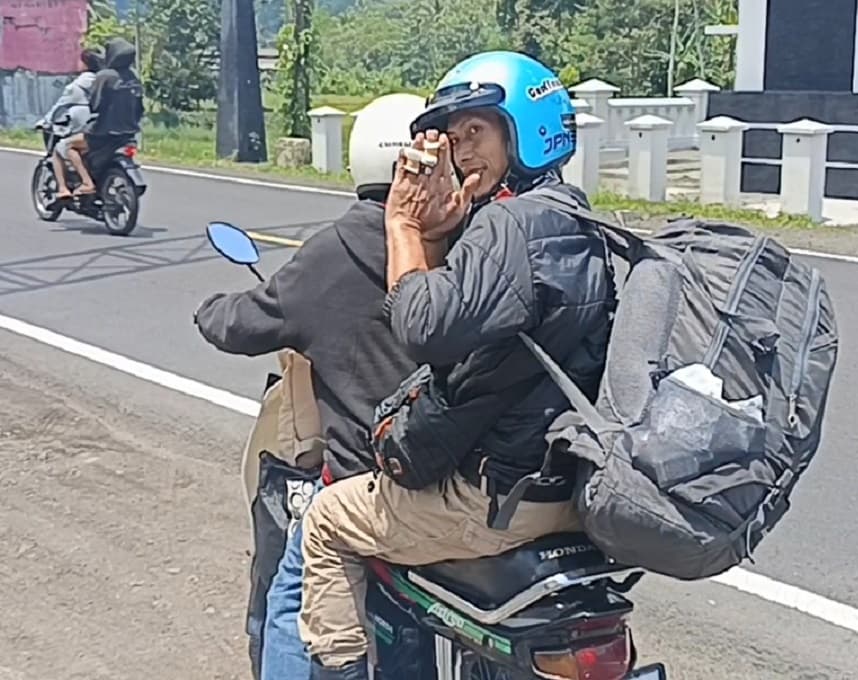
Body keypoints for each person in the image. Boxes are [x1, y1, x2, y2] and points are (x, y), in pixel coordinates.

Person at [298, 51, 614, 680]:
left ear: (524, 131)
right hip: (566, 491)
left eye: (479, 132)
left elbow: (419, 328)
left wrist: (404, 224)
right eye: (456, 136)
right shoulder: (580, 219)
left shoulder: (508, 225)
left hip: (497, 501)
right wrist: (446, 230)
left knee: (326, 523)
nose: (464, 151)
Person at [193, 92, 429, 680]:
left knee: (289, 593)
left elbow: (243, 322)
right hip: (457, 477)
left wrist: (209, 308)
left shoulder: (334, 252)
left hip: (366, 481)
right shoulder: (462, 240)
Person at [63, 37, 144, 196]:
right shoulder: (133, 78)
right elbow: (140, 108)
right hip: (129, 133)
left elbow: (95, 104)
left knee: (69, 146)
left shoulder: (105, 76)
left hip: (103, 132)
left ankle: (87, 182)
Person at [45, 48, 104, 199]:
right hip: (108, 129)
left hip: (89, 129)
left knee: (62, 148)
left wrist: (45, 121)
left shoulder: (77, 86)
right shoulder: (105, 81)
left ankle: (65, 188)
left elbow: (60, 105)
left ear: (85, 63)